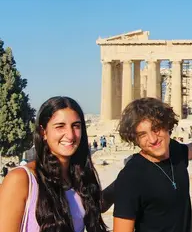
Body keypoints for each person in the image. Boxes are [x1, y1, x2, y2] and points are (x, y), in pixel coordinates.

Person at [0, 96, 114, 232]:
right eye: (60, 126)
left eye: (76, 126)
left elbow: (94, 204)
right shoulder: (21, 179)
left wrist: (126, 177)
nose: (70, 135)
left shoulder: (79, 176)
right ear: (43, 132)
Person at [113, 97, 192, 232]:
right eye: (142, 134)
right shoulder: (130, 177)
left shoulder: (175, 150)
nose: (153, 139)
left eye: (156, 129)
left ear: (167, 125)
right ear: (135, 139)